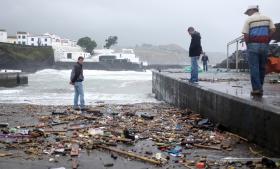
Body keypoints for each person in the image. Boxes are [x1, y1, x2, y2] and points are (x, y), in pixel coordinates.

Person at [242, 5, 276, 96]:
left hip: (253, 45)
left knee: (254, 67)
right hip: (264, 45)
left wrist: (248, 45)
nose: (248, 14)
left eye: (248, 12)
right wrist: (268, 39)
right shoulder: (267, 18)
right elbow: (273, 30)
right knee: (262, 67)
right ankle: (260, 86)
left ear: (252, 10)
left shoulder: (249, 20)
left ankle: (257, 89)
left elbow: (246, 35)